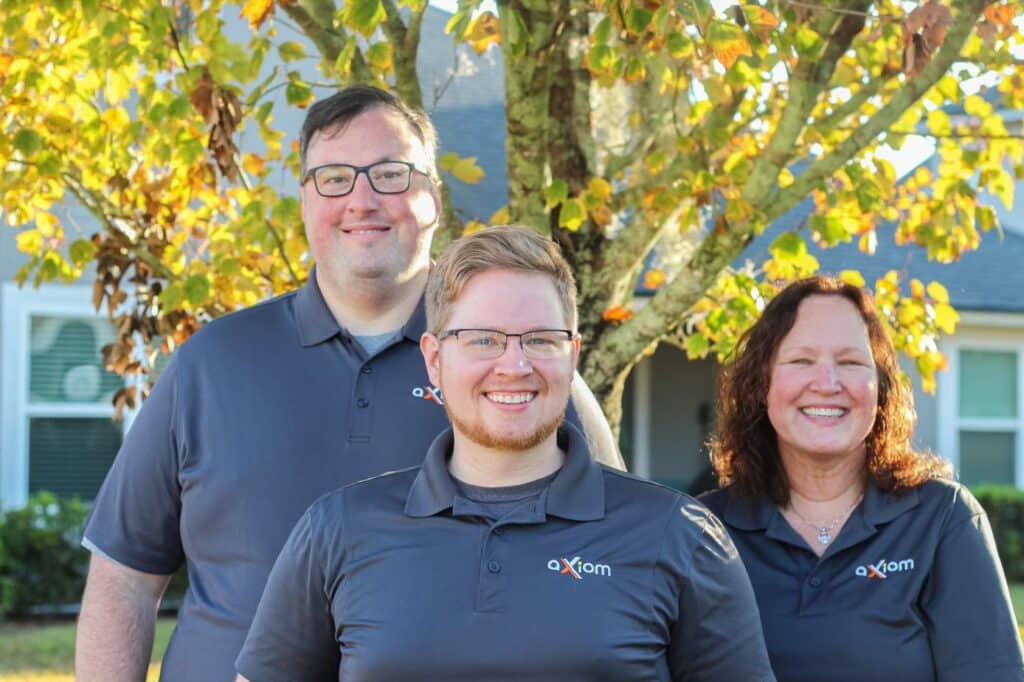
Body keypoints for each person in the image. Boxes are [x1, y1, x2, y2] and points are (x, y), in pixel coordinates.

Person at [75, 87, 624, 682]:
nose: (362, 200)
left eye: (391, 175)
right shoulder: (211, 365)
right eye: (335, 177)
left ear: (434, 198)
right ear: (306, 202)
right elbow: (123, 578)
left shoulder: (520, 374)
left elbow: (620, 564)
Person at [235, 225, 774, 681]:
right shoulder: (338, 531)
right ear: (434, 359)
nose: (514, 365)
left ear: (572, 354)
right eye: (483, 339)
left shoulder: (678, 535)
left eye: (540, 339)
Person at [700, 275, 1024, 682]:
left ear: (880, 388)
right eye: (801, 361)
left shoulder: (942, 520)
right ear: (761, 385)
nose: (827, 384)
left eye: (850, 362)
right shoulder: (704, 532)